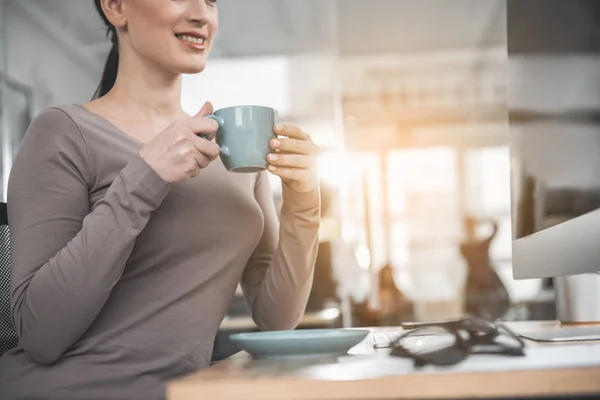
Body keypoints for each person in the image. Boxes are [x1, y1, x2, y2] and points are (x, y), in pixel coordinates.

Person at [0, 0, 320, 399]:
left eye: (210, 1)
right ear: (116, 7)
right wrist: (145, 178)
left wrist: (305, 198)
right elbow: (41, 334)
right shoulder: (62, 132)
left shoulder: (235, 157)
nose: (201, 14)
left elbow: (276, 319)